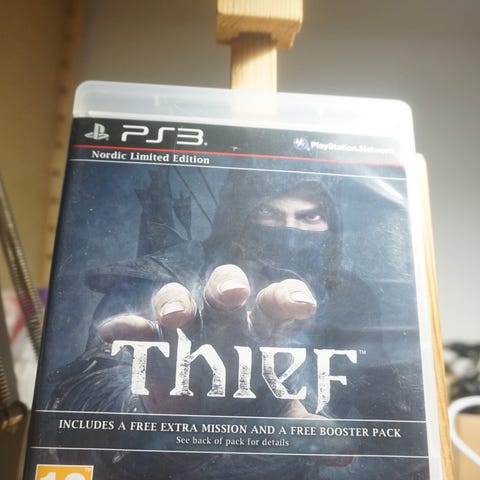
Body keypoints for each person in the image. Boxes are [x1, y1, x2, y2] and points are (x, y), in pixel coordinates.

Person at [48, 169, 426, 478]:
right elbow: (78, 401)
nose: (289, 231)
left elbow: (393, 411)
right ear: (239, 213)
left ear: (330, 222)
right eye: (269, 212)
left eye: (309, 216)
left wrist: (339, 452)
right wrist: (152, 412)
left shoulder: (349, 297)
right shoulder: (163, 281)